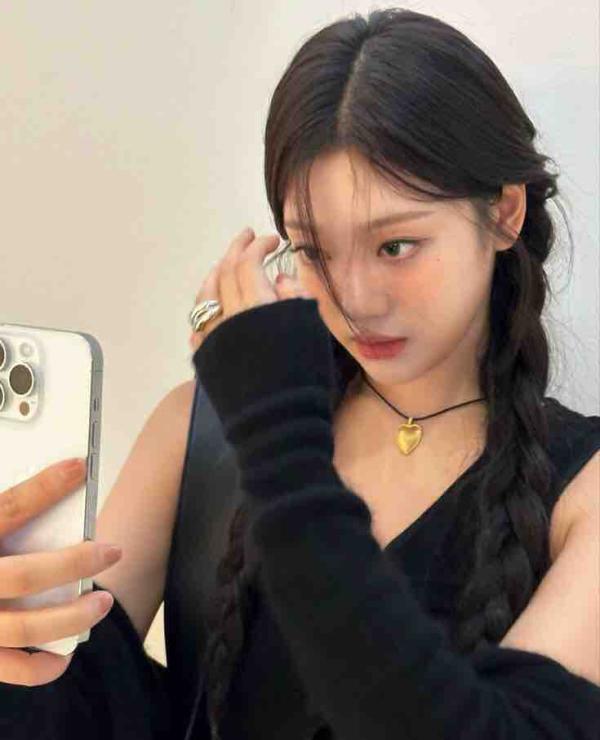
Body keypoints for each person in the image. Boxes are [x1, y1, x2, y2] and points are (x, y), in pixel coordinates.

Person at [1, 7, 599, 740]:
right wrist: (15, 643)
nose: (355, 299)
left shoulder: (584, 489)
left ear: (503, 213)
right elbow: (69, 714)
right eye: (314, 251)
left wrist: (277, 436)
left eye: (396, 246)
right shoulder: (196, 432)